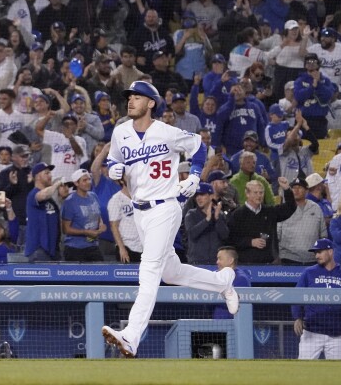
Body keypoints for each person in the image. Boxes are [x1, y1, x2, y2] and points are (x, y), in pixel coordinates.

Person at [101, 81, 238, 359]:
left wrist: (196, 176)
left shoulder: (166, 131)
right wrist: (113, 168)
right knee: (170, 272)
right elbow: (113, 164)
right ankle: (222, 282)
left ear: (151, 103)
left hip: (165, 207)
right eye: (129, 97)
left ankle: (131, 336)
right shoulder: (121, 133)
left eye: (137, 97)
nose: (131, 101)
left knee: (148, 270)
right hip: (139, 211)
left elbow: (200, 146)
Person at [292, 238, 341, 360]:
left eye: (320, 252)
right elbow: (297, 296)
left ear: (330, 252)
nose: (317, 255)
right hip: (311, 332)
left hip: (336, 335)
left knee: (337, 373)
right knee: (304, 371)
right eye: (315, 253)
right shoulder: (308, 273)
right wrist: (297, 317)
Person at [227, 178, 297, 264]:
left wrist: (287, 189)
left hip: (269, 264)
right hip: (246, 264)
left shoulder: (270, 211)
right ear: (247, 194)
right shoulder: (237, 214)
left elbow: (290, 208)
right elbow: (231, 239)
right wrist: (250, 242)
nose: (259, 196)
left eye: (261, 192)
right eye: (255, 192)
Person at [277, 177, 327, 265]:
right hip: (288, 258)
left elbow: (323, 234)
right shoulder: (283, 209)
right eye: (293, 188)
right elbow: (277, 234)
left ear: (307, 191)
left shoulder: (316, 208)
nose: (296, 190)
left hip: (312, 259)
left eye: (299, 187)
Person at [61, 168, 106, 262]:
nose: (88, 182)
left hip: (93, 245)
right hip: (75, 248)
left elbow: (97, 214)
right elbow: (66, 229)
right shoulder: (70, 202)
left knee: (101, 273)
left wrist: (101, 224)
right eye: (84, 180)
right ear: (76, 183)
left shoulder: (93, 196)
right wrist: (86, 232)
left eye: (89, 179)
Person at [24, 162, 64, 262]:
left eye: (50, 173)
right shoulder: (33, 194)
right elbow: (43, 195)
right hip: (39, 249)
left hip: (52, 250)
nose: (50, 175)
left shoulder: (50, 200)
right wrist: (57, 184)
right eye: (46, 173)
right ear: (37, 177)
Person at [184, 182, 228, 265]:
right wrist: (207, 220)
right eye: (197, 195)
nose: (198, 198)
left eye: (202, 194)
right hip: (196, 262)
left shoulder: (219, 214)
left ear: (211, 196)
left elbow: (224, 236)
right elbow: (192, 234)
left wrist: (217, 218)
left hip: (216, 262)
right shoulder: (191, 214)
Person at [107, 179, 142, 264]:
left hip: (143, 246)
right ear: (122, 181)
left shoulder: (141, 197)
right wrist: (121, 248)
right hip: (127, 247)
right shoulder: (116, 199)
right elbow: (114, 226)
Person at [212, 246, 252, 320]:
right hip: (216, 324)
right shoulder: (216, 275)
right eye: (217, 259)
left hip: (235, 324)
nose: (217, 262)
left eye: (220, 259)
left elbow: (236, 303)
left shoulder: (241, 278)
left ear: (230, 261)